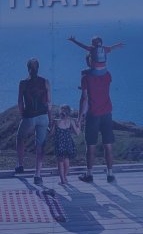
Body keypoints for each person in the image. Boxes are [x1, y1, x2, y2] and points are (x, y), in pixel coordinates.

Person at [78, 54, 116, 182]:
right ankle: (110, 174)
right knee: (108, 145)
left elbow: (84, 99)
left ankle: (89, 174)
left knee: (90, 146)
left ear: (89, 62)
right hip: (107, 114)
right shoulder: (108, 75)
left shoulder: (85, 77)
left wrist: (79, 118)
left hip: (93, 114)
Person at [15, 57, 51, 185]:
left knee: (20, 137)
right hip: (43, 116)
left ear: (28, 69)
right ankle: (37, 175)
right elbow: (49, 103)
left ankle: (20, 165)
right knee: (40, 145)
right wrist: (50, 119)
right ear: (38, 68)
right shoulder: (45, 82)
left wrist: (22, 115)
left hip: (29, 116)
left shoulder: (23, 83)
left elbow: (20, 102)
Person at [49, 104, 80, 185]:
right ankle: (65, 177)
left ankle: (62, 180)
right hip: (68, 143)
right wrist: (79, 125)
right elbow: (77, 133)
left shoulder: (56, 121)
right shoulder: (71, 121)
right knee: (66, 160)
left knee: (60, 162)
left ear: (60, 112)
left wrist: (50, 126)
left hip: (59, 144)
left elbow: (51, 133)